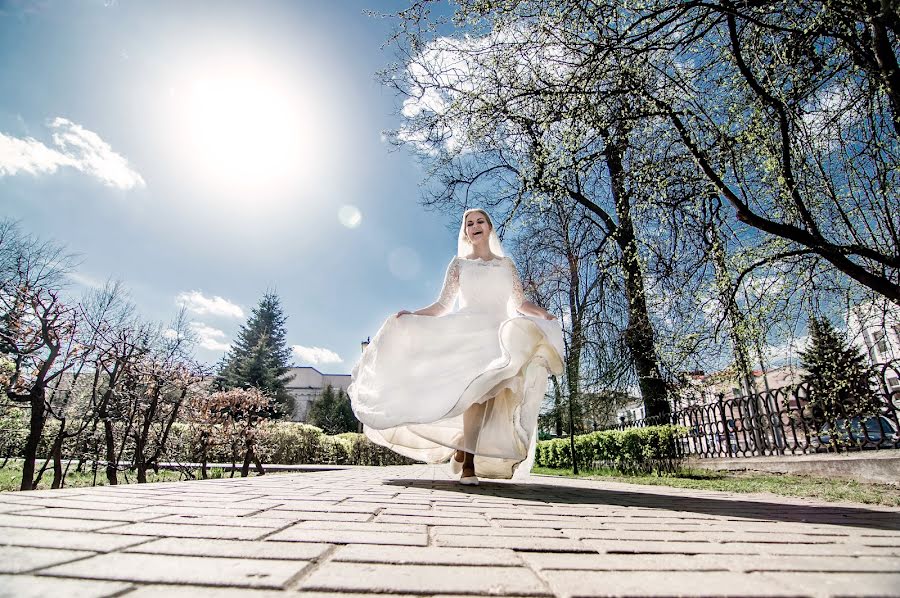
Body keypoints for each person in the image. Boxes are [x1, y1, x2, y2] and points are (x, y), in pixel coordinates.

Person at [349, 209, 564, 484]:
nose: (475, 226)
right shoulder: (459, 265)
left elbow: (519, 303)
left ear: (489, 227)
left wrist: (543, 314)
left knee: (492, 400)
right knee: (473, 396)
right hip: (468, 336)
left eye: (480, 222)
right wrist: (413, 315)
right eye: (469, 224)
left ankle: (463, 447)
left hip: (499, 336)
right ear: (465, 232)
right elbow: (442, 305)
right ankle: (469, 466)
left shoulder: (506, 264)